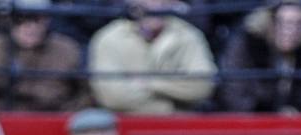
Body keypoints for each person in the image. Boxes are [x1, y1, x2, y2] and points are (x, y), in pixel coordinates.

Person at [88, 0, 218, 114]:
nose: (154, 8)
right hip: (124, 124)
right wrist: (168, 107)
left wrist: (148, 83)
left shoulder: (189, 35)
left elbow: (202, 86)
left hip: (180, 125)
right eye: (147, 2)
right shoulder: (108, 38)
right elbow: (114, 97)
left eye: (161, 3)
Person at [218, 0, 301, 113]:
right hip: (252, 125)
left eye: (299, 24)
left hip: (300, 127)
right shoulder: (245, 47)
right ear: (269, 22)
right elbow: (235, 97)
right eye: (283, 23)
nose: (290, 31)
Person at [0, 0, 91, 112]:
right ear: (6, 20)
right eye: (20, 19)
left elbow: (85, 93)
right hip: (1, 119)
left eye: (37, 19)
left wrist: (66, 115)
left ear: (48, 20)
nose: (30, 26)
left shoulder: (68, 49)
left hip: (55, 118)